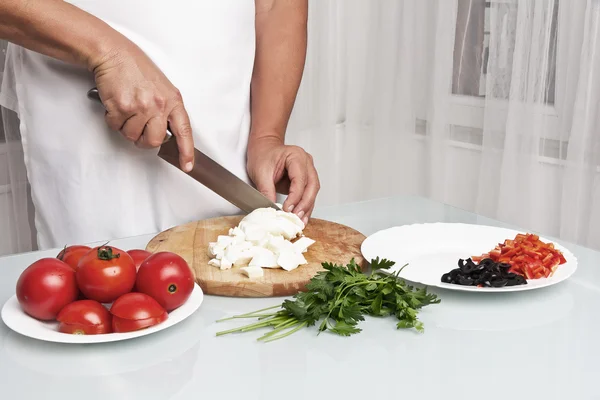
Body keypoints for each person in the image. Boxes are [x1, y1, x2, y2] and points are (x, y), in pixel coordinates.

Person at [0, 0, 320, 250]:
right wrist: (107, 53)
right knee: (108, 290)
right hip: (86, 105)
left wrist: (267, 134)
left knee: (238, 278)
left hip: (228, 107)